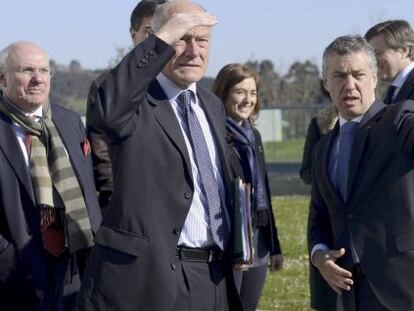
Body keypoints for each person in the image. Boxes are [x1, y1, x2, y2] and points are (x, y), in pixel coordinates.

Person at [76, 1, 242, 310]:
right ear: (159, 38)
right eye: (182, 38)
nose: (193, 50)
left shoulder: (211, 105)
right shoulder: (133, 100)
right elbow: (107, 113)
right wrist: (163, 40)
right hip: (151, 279)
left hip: (215, 275)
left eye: (202, 40)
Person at [309, 34, 414, 310]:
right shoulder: (321, 150)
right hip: (351, 294)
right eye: (339, 76)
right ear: (326, 84)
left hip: (404, 289)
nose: (350, 85)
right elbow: (319, 218)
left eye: (358, 74)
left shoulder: (399, 120)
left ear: (375, 78)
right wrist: (320, 257)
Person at [0, 41, 102, 310]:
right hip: (14, 273)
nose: (37, 78)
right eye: (26, 70)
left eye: (44, 71)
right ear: (2, 77)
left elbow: (88, 187)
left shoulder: (69, 121)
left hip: (75, 266)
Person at [211, 63, 283, 310]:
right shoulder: (214, 135)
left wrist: (274, 247)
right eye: (240, 92)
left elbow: (265, 192)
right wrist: (232, 247)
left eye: (253, 93)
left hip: (258, 241)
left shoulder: (254, 137)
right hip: (230, 244)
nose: (248, 99)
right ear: (224, 93)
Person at [87, 0, 166, 212]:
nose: (157, 40)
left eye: (164, 32)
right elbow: (100, 148)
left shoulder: (180, 85)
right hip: (126, 203)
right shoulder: (108, 84)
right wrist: (115, 195)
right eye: (149, 32)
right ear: (133, 34)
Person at [300, 83, 338, 311]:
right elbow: (305, 171)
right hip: (328, 219)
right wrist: (330, 170)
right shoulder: (319, 124)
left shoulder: (378, 123)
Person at [365, 20, 414, 104]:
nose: (372, 61)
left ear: (404, 51)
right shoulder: (392, 91)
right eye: (369, 55)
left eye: (378, 53)